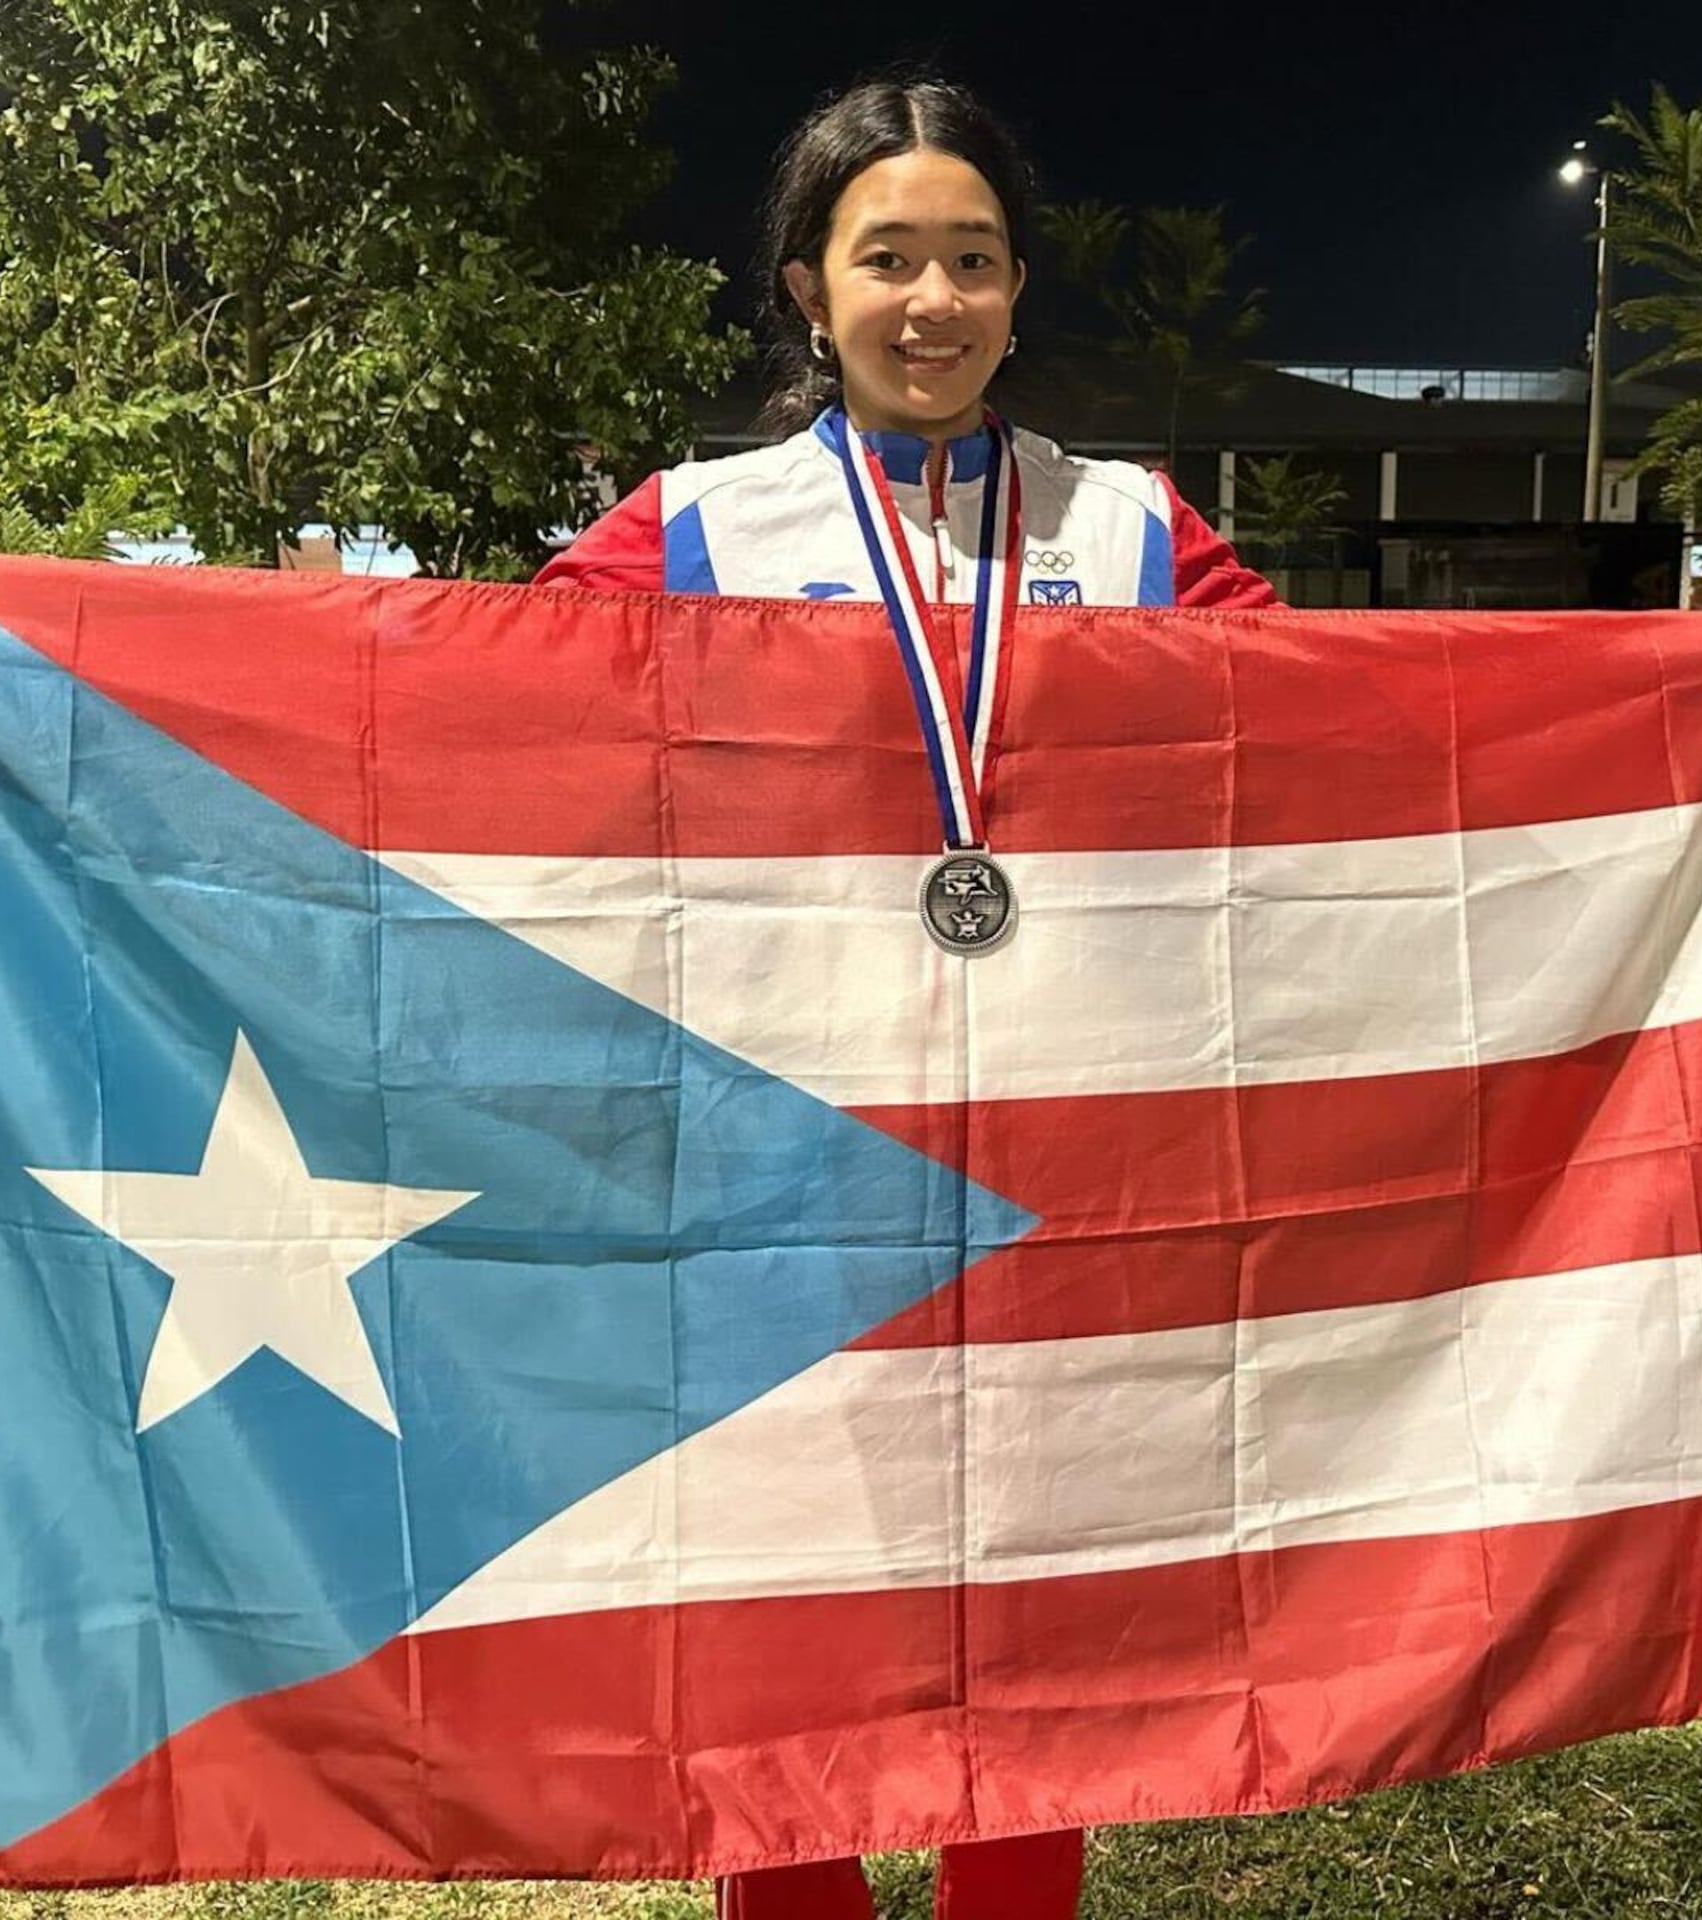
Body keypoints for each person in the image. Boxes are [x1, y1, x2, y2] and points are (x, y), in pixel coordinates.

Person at [536, 75, 1275, 1920]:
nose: (930, 301)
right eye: (889, 260)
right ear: (808, 285)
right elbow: (481, 708)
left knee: (1028, 1587)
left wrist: (1683, 691)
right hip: (781, 1136)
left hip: (1062, 1141)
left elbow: (1342, 713)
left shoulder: (1127, 529)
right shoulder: (696, 525)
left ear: (1020, 290)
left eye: (972, 259)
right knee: (789, 1575)